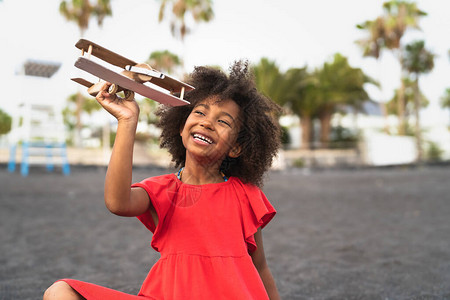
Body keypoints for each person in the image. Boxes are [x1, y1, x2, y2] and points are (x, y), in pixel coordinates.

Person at [44, 61, 281, 300]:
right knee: (60, 292)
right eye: (199, 112)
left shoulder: (244, 195)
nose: (207, 122)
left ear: (237, 148)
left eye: (223, 121)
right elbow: (117, 202)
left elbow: (260, 267)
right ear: (181, 126)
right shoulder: (162, 190)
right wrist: (127, 121)